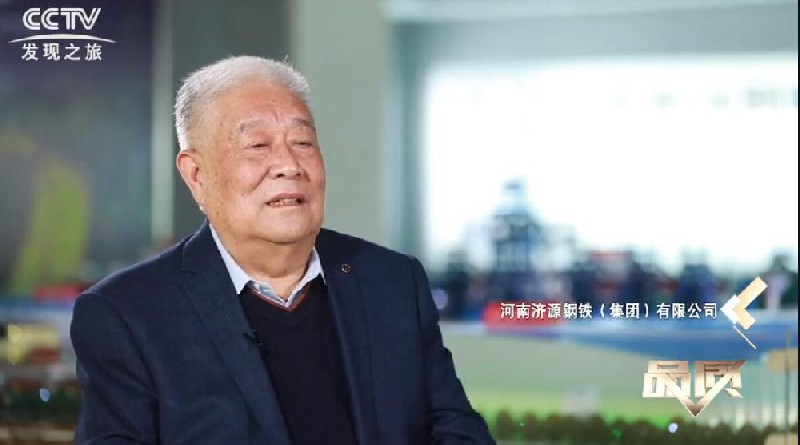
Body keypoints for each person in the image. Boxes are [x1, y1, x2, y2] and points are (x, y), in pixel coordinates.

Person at [70, 56, 495, 444]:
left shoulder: (392, 281)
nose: (289, 165)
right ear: (196, 174)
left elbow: (456, 429)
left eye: (303, 142)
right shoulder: (127, 314)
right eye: (258, 145)